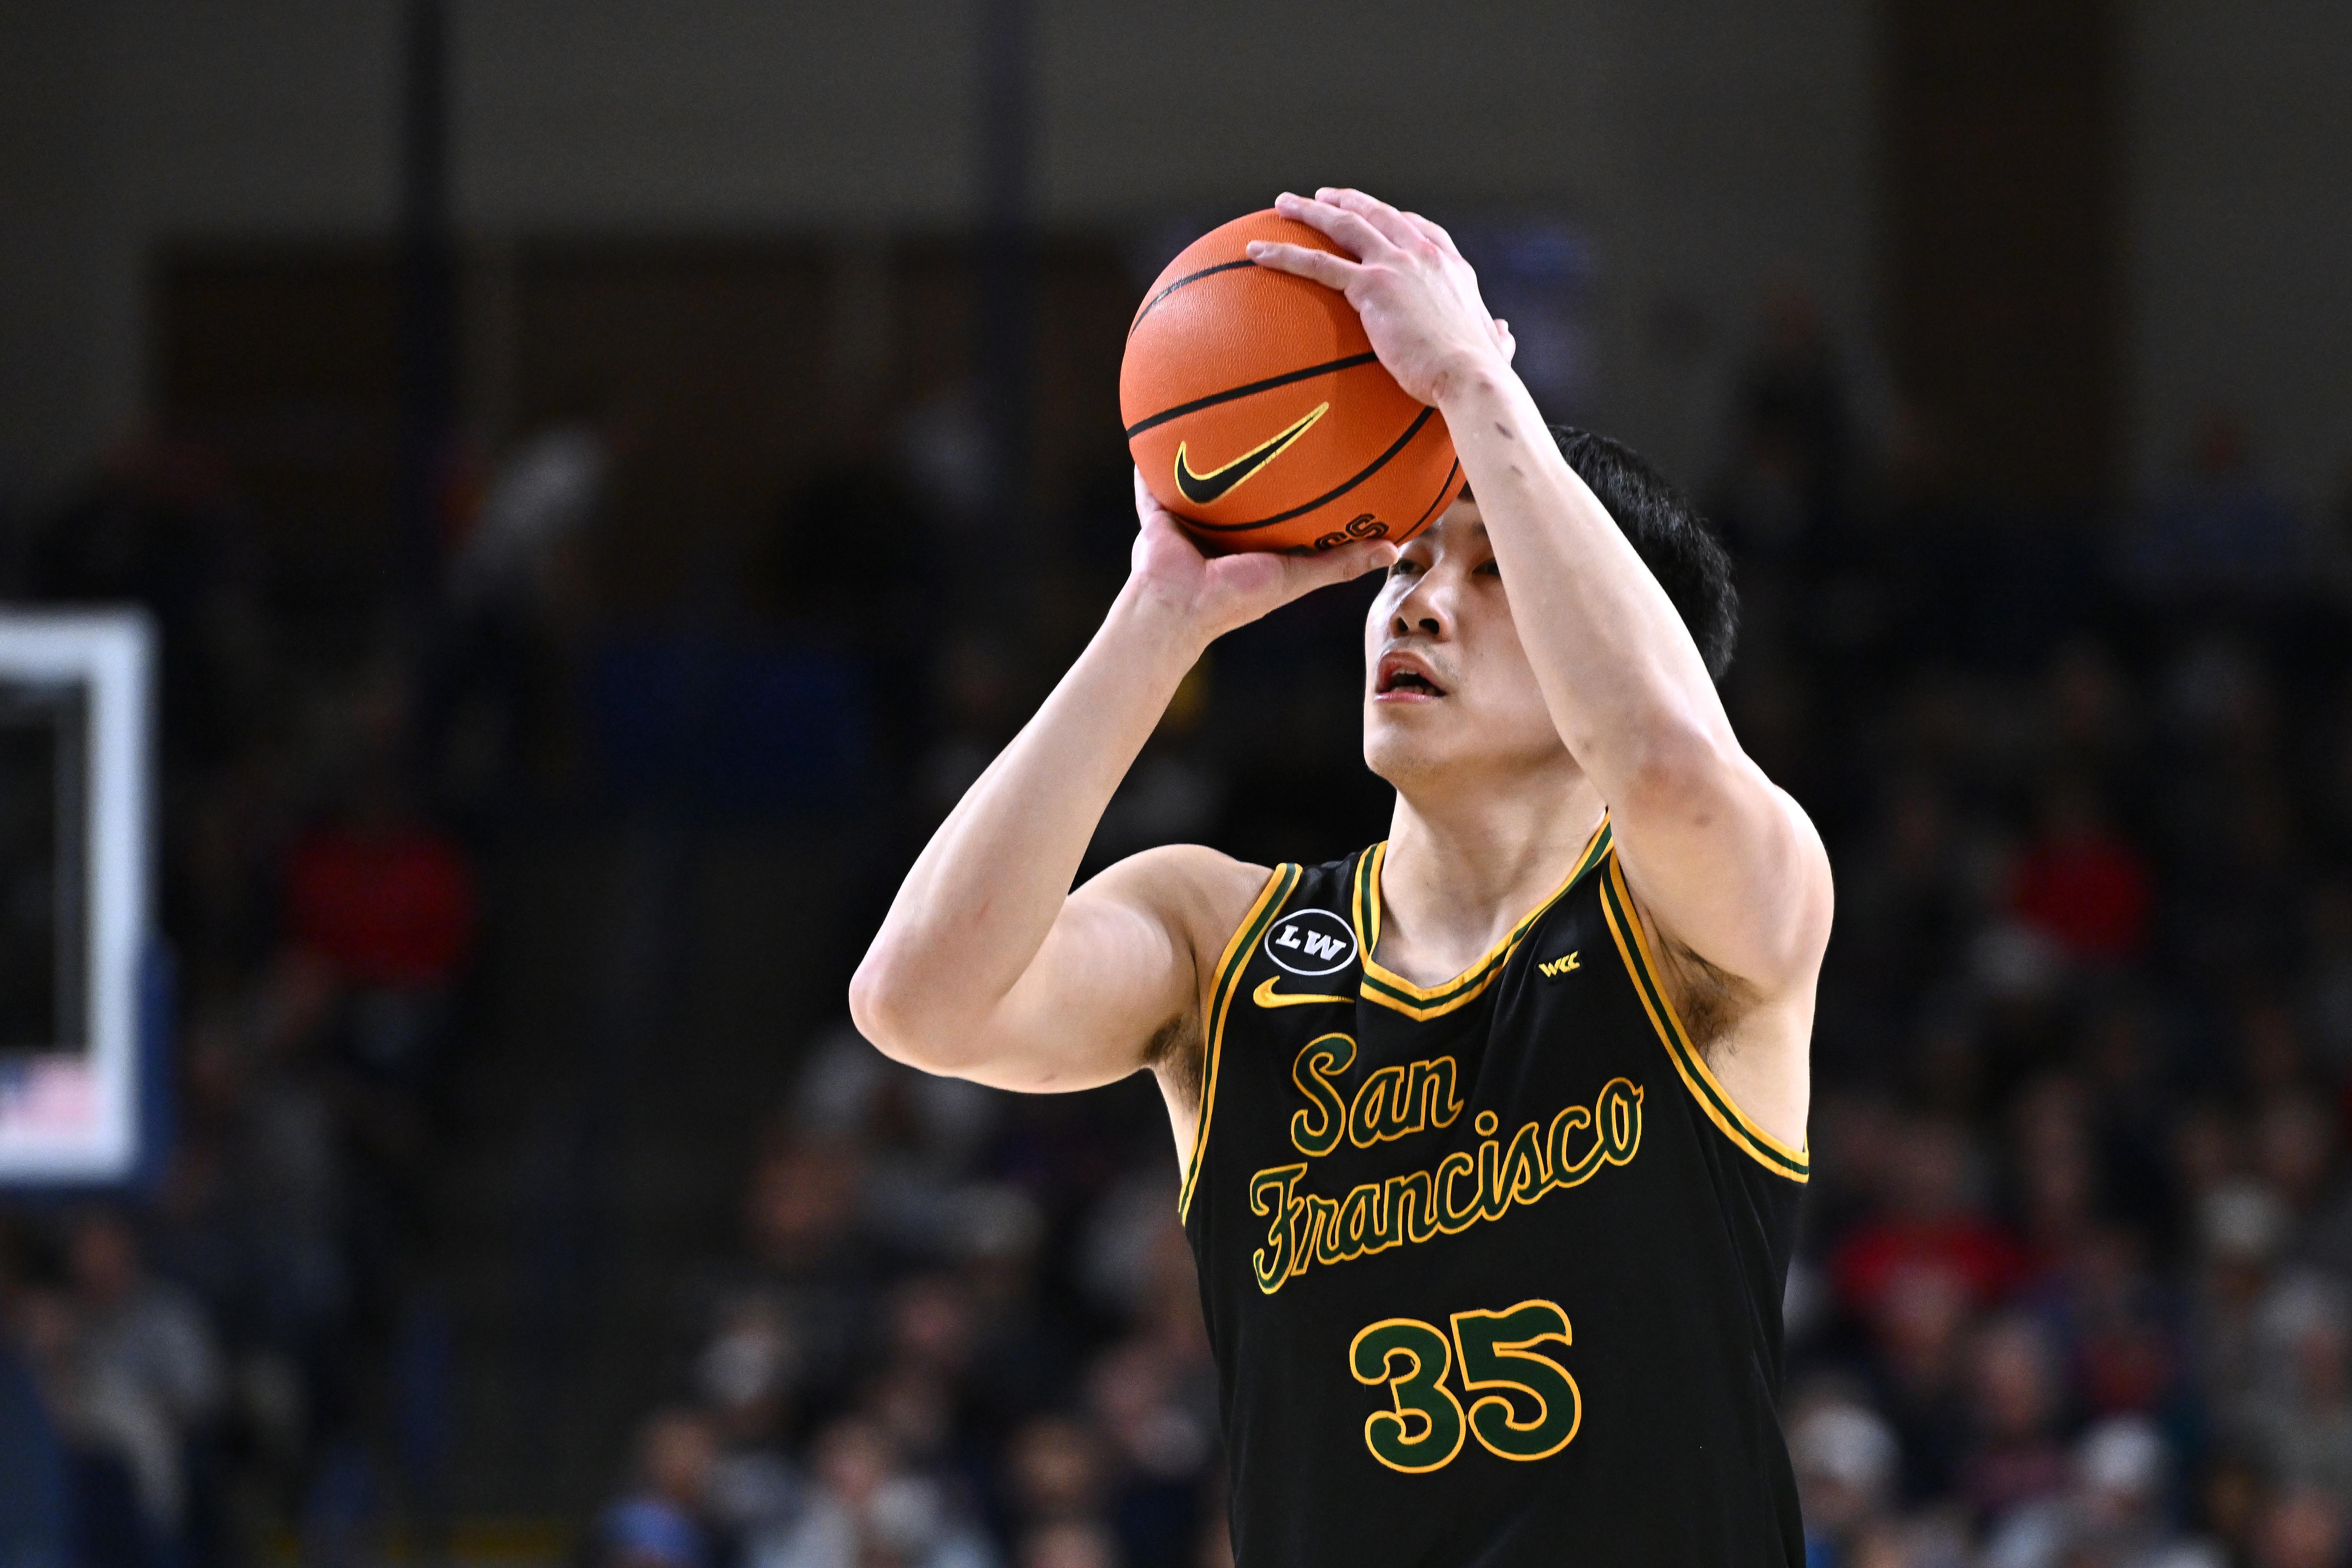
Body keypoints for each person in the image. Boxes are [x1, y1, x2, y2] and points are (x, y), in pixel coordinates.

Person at [852, 187, 1831, 1566]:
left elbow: (1667, 765)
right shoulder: (1220, 935)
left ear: (1608, 629)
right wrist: (1156, 619)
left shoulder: (1712, 922)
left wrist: (1475, 385)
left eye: (1493, 574)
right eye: (1409, 563)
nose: (1419, 601)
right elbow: (918, 1001)